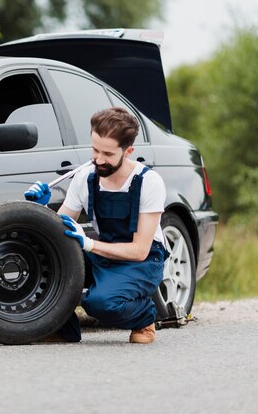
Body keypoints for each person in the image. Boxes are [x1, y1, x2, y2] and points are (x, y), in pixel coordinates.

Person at [24, 106, 168, 344]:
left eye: (108, 154)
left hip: (142, 261)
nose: (99, 160)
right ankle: (63, 329)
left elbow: (140, 250)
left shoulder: (149, 182)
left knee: (100, 304)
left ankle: (145, 316)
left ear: (128, 151)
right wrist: (39, 209)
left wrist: (89, 244)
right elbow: (59, 230)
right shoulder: (85, 177)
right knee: (46, 257)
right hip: (102, 251)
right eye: (95, 150)